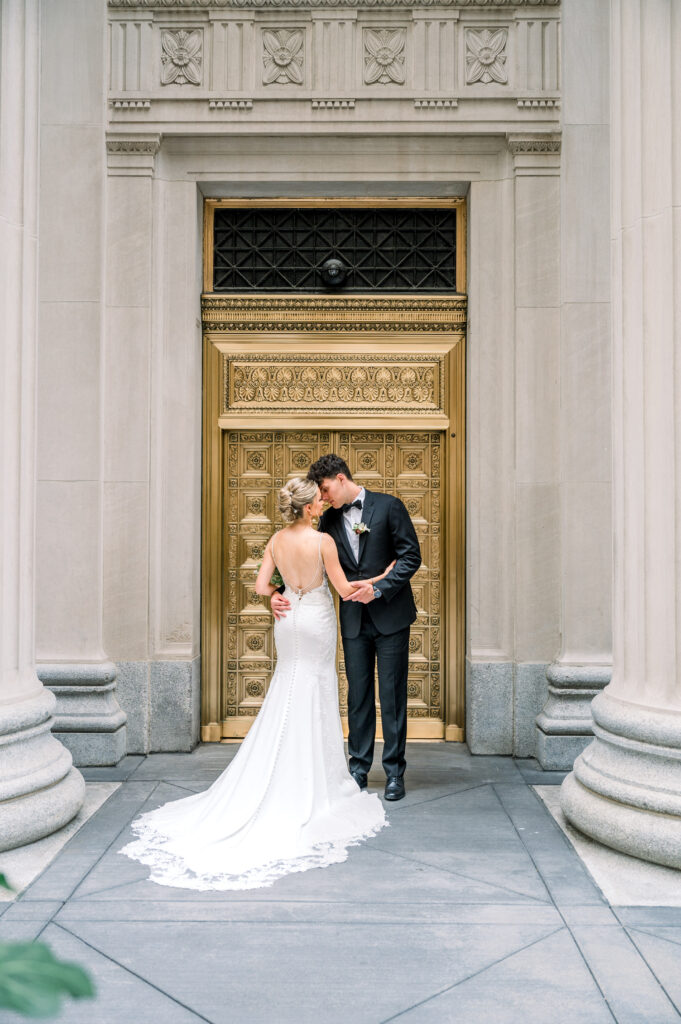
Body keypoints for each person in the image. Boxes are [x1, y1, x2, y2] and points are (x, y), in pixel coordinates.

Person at [119, 477, 393, 891]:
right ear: (308, 508)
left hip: (288, 621)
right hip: (316, 622)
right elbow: (343, 590)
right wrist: (381, 577)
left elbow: (261, 586)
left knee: (289, 685)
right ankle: (313, 778)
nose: (323, 504)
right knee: (316, 688)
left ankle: (280, 768)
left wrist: (276, 596)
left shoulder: (276, 541)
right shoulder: (323, 543)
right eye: (318, 501)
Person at [271, 455, 422, 802]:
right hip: (352, 620)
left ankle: (395, 773)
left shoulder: (389, 507)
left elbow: (411, 556)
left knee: (392, 695)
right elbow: (302, 556)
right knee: (359, 695)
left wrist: (380, 588)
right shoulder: (328, 522)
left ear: (340, 479)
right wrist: (279, 595)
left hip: (391, 617)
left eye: (324, 490)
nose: (322, 499)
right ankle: (358, 768)